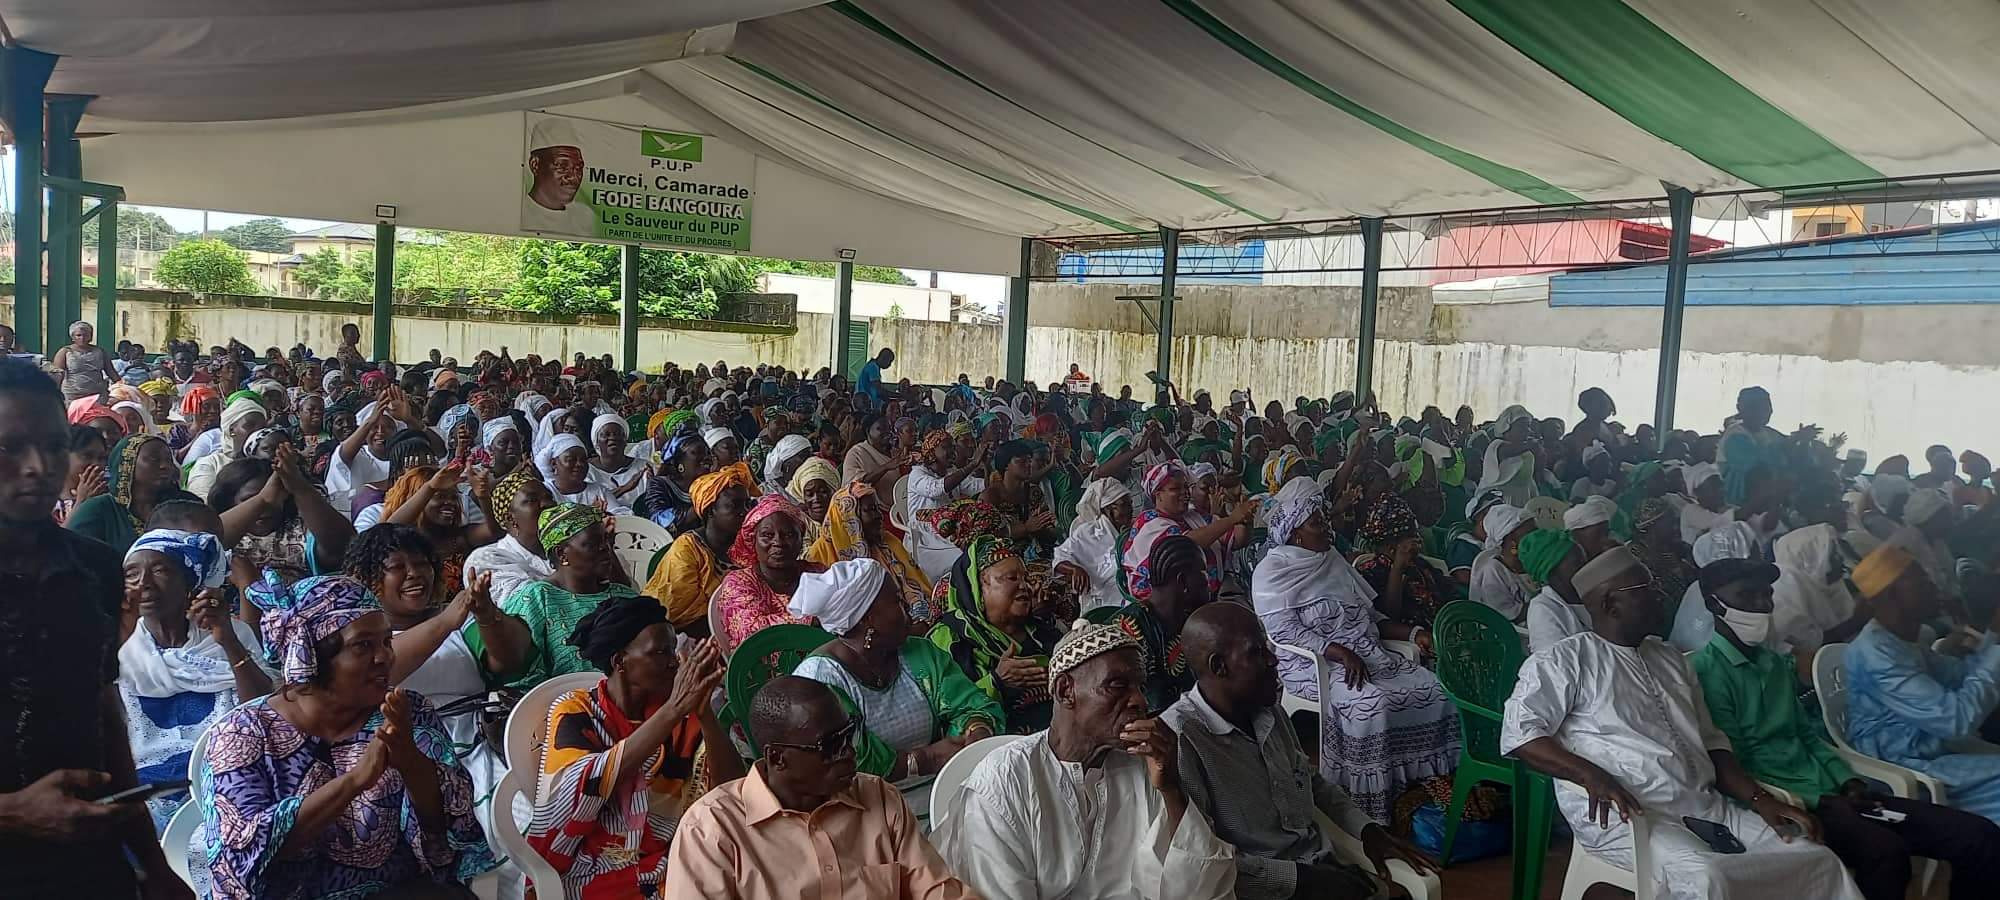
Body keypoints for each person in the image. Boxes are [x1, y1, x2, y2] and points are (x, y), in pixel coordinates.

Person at [1501, 548, 1864, 900]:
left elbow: (1712, 742)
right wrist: (1589, 775)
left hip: (1704, 805)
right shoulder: (1566, 660)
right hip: (1629, 818)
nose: (1661, 596)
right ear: (1611, 604)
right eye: (1647, 589)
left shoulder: (1671, 658)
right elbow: (1521, 734)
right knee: (1710, 878)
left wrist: (1760, 799)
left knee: (1816, 858)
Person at [1692, 557, 2000, 900]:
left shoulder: (1774, 663)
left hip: (1836, 795)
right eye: (1747, 596)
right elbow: (1735, 761)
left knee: (1977, 835)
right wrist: (1812, 800)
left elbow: (1806, 735)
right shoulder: (1705, 672)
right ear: (1714, 605)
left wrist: (1847, 781)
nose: (1763, 605)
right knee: (1887, 853)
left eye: (1767, 595)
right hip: (1790, 802)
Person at [0, 357, 187, 898]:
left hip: (85, 861)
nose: (38, 466)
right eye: (10, 447)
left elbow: (103, 714)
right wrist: (12, 812)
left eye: (54, 446)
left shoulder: (97, 567)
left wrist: (153, 865)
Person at [203, 574, 496, 898]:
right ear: (311, 656)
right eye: (363, 645)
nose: (385, 657)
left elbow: (452, 831)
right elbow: (243, 854)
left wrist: (410, 761)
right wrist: (355, 781)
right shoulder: (242, 734)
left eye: (386, 641)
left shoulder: (404, 712)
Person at [933, 617, 1236, 899]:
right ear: (1066, 691)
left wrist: (1170, 789)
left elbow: (1199, 888)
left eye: (1140, 687)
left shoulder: (1142, 765)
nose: (1140, 701)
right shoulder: (1004, 781)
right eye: (1117, 685)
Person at [1166, 602, 1441, 899]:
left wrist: (1368, 830)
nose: (1273, 659)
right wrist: (1304, 880)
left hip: (1321, 868)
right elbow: (1203, 861)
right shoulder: (1181, 741)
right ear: (1219, 666)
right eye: (1256, 652)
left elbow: (1311, 781)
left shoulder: (1267, 710)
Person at [1252, 480, 1458, 823]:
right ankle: (1371, 802)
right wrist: (1339, 652)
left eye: (1324, 519)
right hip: (1313, 665)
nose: (1327, 527)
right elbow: (1285, 632)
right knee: (1372, 704)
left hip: (1368, 654)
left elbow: (1370, 616)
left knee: (1435, 689)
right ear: (1296, 534)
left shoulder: (1332, 560)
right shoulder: (1272, 572)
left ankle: (1427, 784)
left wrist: (1414, 632)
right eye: (1317, 523)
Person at [661, 676, 974, 899]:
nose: (849, 753)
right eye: (830, 746)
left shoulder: (878, 797)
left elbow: (936, 891)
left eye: (849, 735)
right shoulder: (711, 830)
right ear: (777, 758)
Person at [529, 596, 741, 899]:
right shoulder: (576, 709)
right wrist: (674, 709)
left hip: (674, 851)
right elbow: (583, 783)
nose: (674, 662)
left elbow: (730, 789)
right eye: (660, 652)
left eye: (673, 650)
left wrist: (705, 714)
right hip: (594, 861)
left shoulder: (681, 716)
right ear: (620, 662)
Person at [345, 525, 532, 851]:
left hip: (481, 738)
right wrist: (447, 620)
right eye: (397, 567)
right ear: (368, 577)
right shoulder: (359, 636)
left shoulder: (460, 619)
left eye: (422, 564)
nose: (414, 574)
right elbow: (380, 670)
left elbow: (508, 662)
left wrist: (486, 615)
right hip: (408, 752)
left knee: (528, 815)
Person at [788, 559, 1001, 791]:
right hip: (863, 801)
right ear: (867, 618)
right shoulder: (821, 681)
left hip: (941, 783)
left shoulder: (919, 653)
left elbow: (970, 704)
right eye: (897, 600)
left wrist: (976, 729)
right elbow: (851, 762)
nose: (908, 607)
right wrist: (925, 759)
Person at [119, 529, 276, 830]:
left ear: (189, 582)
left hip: (227, 778)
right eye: (132, 574)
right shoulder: (121, 647)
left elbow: (261, 709)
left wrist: (228, 641)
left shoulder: (231, 633)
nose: (144, 583)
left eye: (160, 570)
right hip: (146, 792)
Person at [1843, 544, 2000, 824]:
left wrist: (1992, 638)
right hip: (1906, 767)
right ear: (1892, 595)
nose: (1934, 587)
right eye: (1922, 582)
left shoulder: (1902, 640)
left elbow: (1960, 675)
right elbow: (1956, 720)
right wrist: (1997, 645)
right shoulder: (1877, 654)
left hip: (1933, 750)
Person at [926, 536, 1063, 733]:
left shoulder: (1041, 632)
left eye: (1026, 578)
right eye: (1012, 578)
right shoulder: (948, 640)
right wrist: (997, 682)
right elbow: (943, 717)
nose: (1024, 586)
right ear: (978, 588)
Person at [505, 502, 643, 685]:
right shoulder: (536, 599)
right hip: (559, 700)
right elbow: (518, 671)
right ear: (562, 554)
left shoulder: (626, 597)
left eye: (606, 540)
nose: (605, 548)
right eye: (593, 543)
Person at [1124, 461, 1254, 604]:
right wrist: (1232, 519)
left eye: (1186, 487)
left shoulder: (1194, 515)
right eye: (1175, 488)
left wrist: (1244, 520)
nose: (1185, 492)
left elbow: (1237, 540)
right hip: (1163, 606)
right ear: (1158, 495)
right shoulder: (1148, 522)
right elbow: (1185, 545)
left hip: (1208, 597)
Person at [806, 481, 934, 624]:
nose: (879, 516)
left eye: (877, 508)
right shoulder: (819, 555)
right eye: (870, 510)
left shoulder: (885, 542)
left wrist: (918, 614)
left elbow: (916, 586)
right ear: (849, 518)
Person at [644, 465, 752, 633]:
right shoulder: (687, 549)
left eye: (747, 505)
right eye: (735, 505)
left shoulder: (750, 545)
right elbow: (676, 611)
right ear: (710, 511)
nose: (744, 512)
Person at [714, 494, 818, 654]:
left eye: (789, 535)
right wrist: (814, 619)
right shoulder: (738, 583)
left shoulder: (817, 572)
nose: (779, 542)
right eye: (767, 535)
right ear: (753, 540)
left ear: (801, 539)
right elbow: (753, 633)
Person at [68, 432, 201, 553]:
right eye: (154, 459)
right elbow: (73, 555)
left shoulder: (187, 505)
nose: (164, 466)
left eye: (168, 460)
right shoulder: (97, 509)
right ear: (127, 464)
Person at [382, 463, 498, 596]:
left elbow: (494, 531)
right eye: (440, 496)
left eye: (454, 498)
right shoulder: (406, 542)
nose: (450, 502)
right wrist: (430, 487)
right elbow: (387, 530)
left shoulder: (461, 537)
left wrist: (483, 497)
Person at [1353, 494, 1454, 631]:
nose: (1419, 540)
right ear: (1391, 547)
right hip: (1413, 636)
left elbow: (1445, 590)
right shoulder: (1370, 572)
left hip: (1444, 627)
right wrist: (1398, 567)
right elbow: (1389, 616)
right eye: (1412, 536)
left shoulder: (1419, 564)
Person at [463, 467, 557, 606]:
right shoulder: (487, 558)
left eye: (549, 498)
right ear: (510, 519)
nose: (547, 504)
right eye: (532, 500)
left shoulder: (568, 547)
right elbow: (523, 606)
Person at [906, 429, 990, 580]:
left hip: (948, 529)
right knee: (964, 557)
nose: (952, 452)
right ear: (932, 451)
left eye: (952, 447)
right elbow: (937, 489)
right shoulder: (917, 474)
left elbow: (980, 486)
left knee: (981, 549)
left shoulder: (950, 472)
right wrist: (972, 465)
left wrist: (986, 465)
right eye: (946, 447)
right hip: (925, 536)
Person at [1053, 476, 1135, 613]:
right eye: (1124, 505)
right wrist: (1074, 569)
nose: (1130, 509)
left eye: (1130, 504)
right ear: (1108, 509)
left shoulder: (1133, 531)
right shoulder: (1087, 532)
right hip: (1100, 603)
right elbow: (1059, 558)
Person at [1520, 529, 1595, 652]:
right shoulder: (1542, 610)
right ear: (1552, 572)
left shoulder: (1589, 594)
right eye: (1577, 563)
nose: (1585, 566)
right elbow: (1555, 661)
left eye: (1584, 560)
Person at [1718, 386, 1791, 506]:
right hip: (1738, 505)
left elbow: (1787, 447)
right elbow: (1755, 463)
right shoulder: (1734, 435)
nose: (1764, 411)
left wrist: (1800, 441)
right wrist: (1788, 445)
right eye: (1756, 407)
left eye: (1767, 406)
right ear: (1741, 409)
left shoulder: (1769, 432)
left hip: (1768, 500)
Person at [522, 116, 594, 234]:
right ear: (535, 165)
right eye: (562, 166)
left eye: (578, 168)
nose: (573, 177)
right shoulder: (521, 212)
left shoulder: (584, 216)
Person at [1468, 502, 1535, 621]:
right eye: (1531, 534)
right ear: (1512, 543)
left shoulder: (1528, 562)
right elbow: (1504, 615)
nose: (1537, 538)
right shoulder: (1493, 570)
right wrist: (1543, 604)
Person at [840, 413, 906, 498]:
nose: (887, 432)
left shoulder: (895, 452)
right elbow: (855, 486)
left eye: (889, 428)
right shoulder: (856, 453)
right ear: (868, 431)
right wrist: (886, 467)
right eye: (881, 429)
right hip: (871, 505)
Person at [51, 320, 115, 404]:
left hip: (97, 395)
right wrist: (54, 393)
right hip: (72, 397)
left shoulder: (100, 351)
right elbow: (58, 374)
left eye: (86, 335)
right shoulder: (65, 352)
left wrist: (121, 385)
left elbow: (110, 371)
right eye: (78, 335)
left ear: (91, 336)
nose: (82, 338)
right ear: (72, 337)